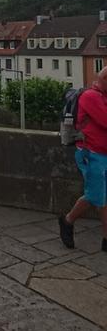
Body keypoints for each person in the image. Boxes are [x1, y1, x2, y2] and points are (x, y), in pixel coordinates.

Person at [59, 66, 107, 250]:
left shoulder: (102, 96)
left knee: (102, 196)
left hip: (102, 154)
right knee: (96, 195)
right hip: (91, 154)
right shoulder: (91, 97)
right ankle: (68, 220)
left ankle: (106, 239)